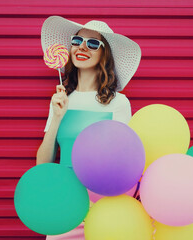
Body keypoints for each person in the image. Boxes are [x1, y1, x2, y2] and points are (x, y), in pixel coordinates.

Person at [37, 16, 141, 240]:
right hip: (65, 201)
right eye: (76, 41)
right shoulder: (61, 100)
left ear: (104, 55)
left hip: (104, 204)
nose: (82, 48)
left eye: (93, 43)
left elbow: (127, 162)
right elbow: (43, 164)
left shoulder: (118, 103)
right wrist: (56, 117)